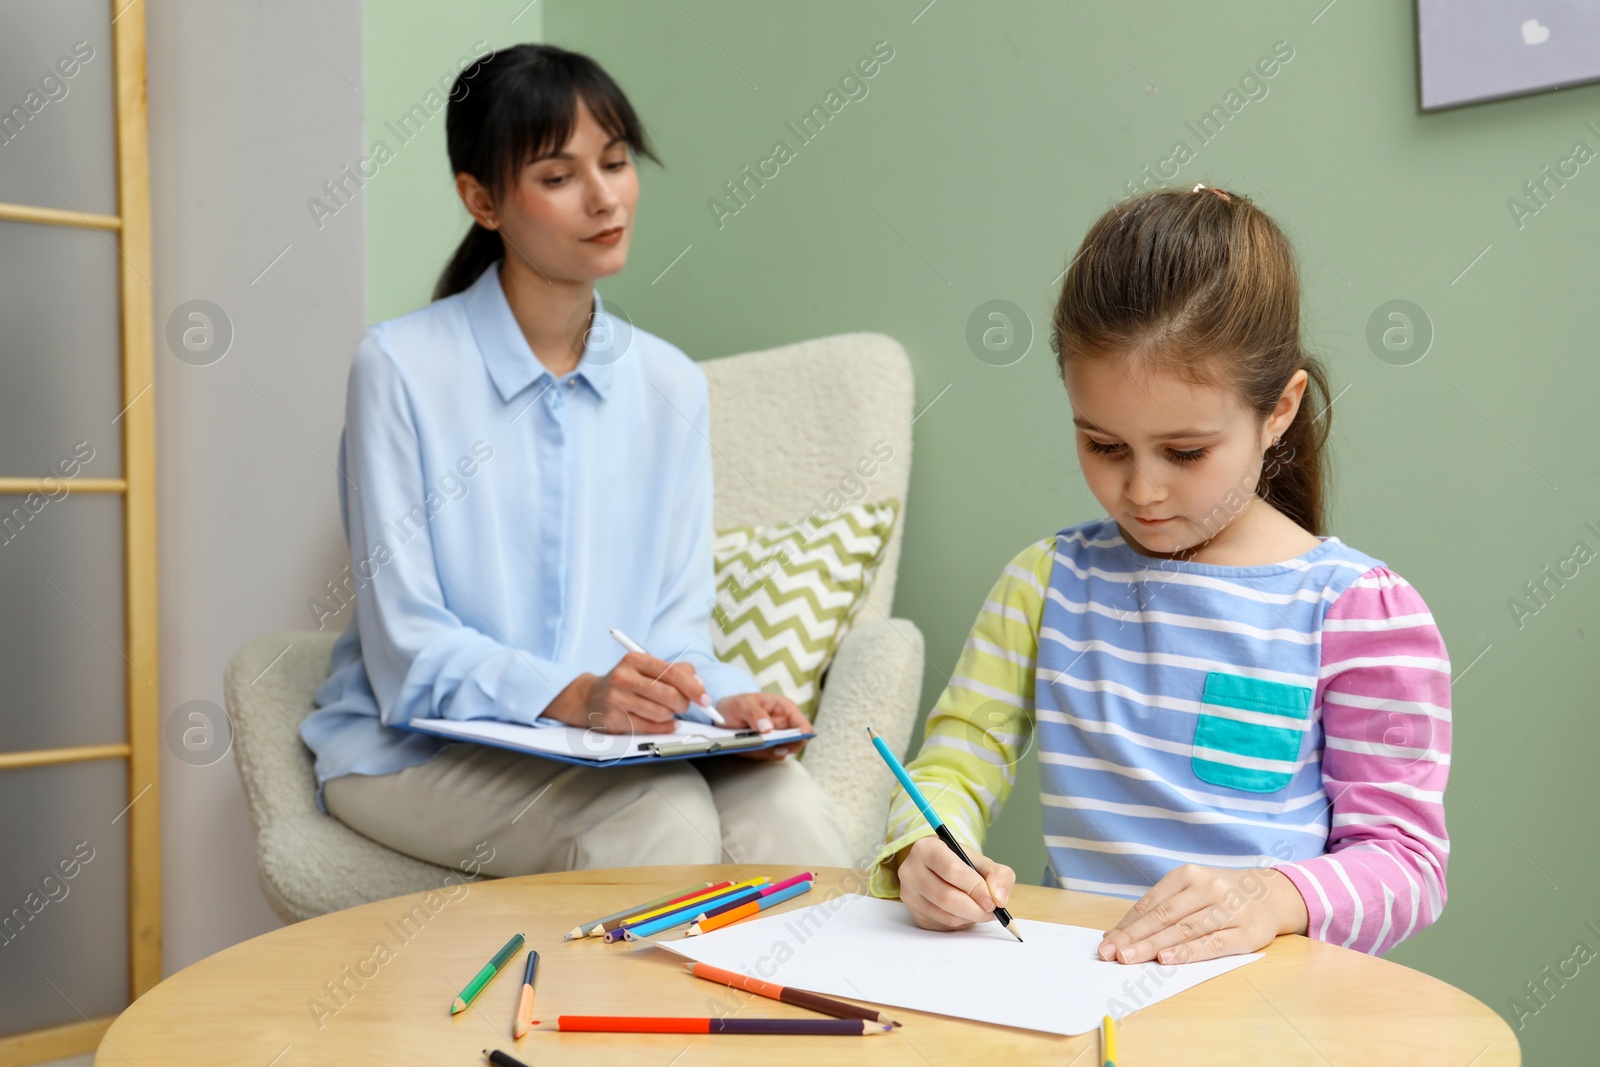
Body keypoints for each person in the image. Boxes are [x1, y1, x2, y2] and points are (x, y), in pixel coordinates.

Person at [299, 44, 851, 877]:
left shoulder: (668, 383)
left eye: (617, 162)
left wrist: (717, 700)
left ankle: (816, 1008)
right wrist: (573, 695)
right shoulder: (402, 369)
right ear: (482, 200)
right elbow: (407, 645)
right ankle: (626, 1015)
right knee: (657, 817)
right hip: (407, 748)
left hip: (612, 746)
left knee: (791, 812)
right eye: (558, 177)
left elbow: (672, 626)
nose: (604, 199)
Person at [869, 185, 1450, 963]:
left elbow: (1407, 866)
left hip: (1265, 1021)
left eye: (1184, 452)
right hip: (1079, 995)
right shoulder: (1046, 583)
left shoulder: (1358, 612)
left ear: (1278, 410)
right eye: (1104, 445)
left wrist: (1270, 896)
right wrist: (924, 847)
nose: (1140, 491)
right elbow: (957, 758)